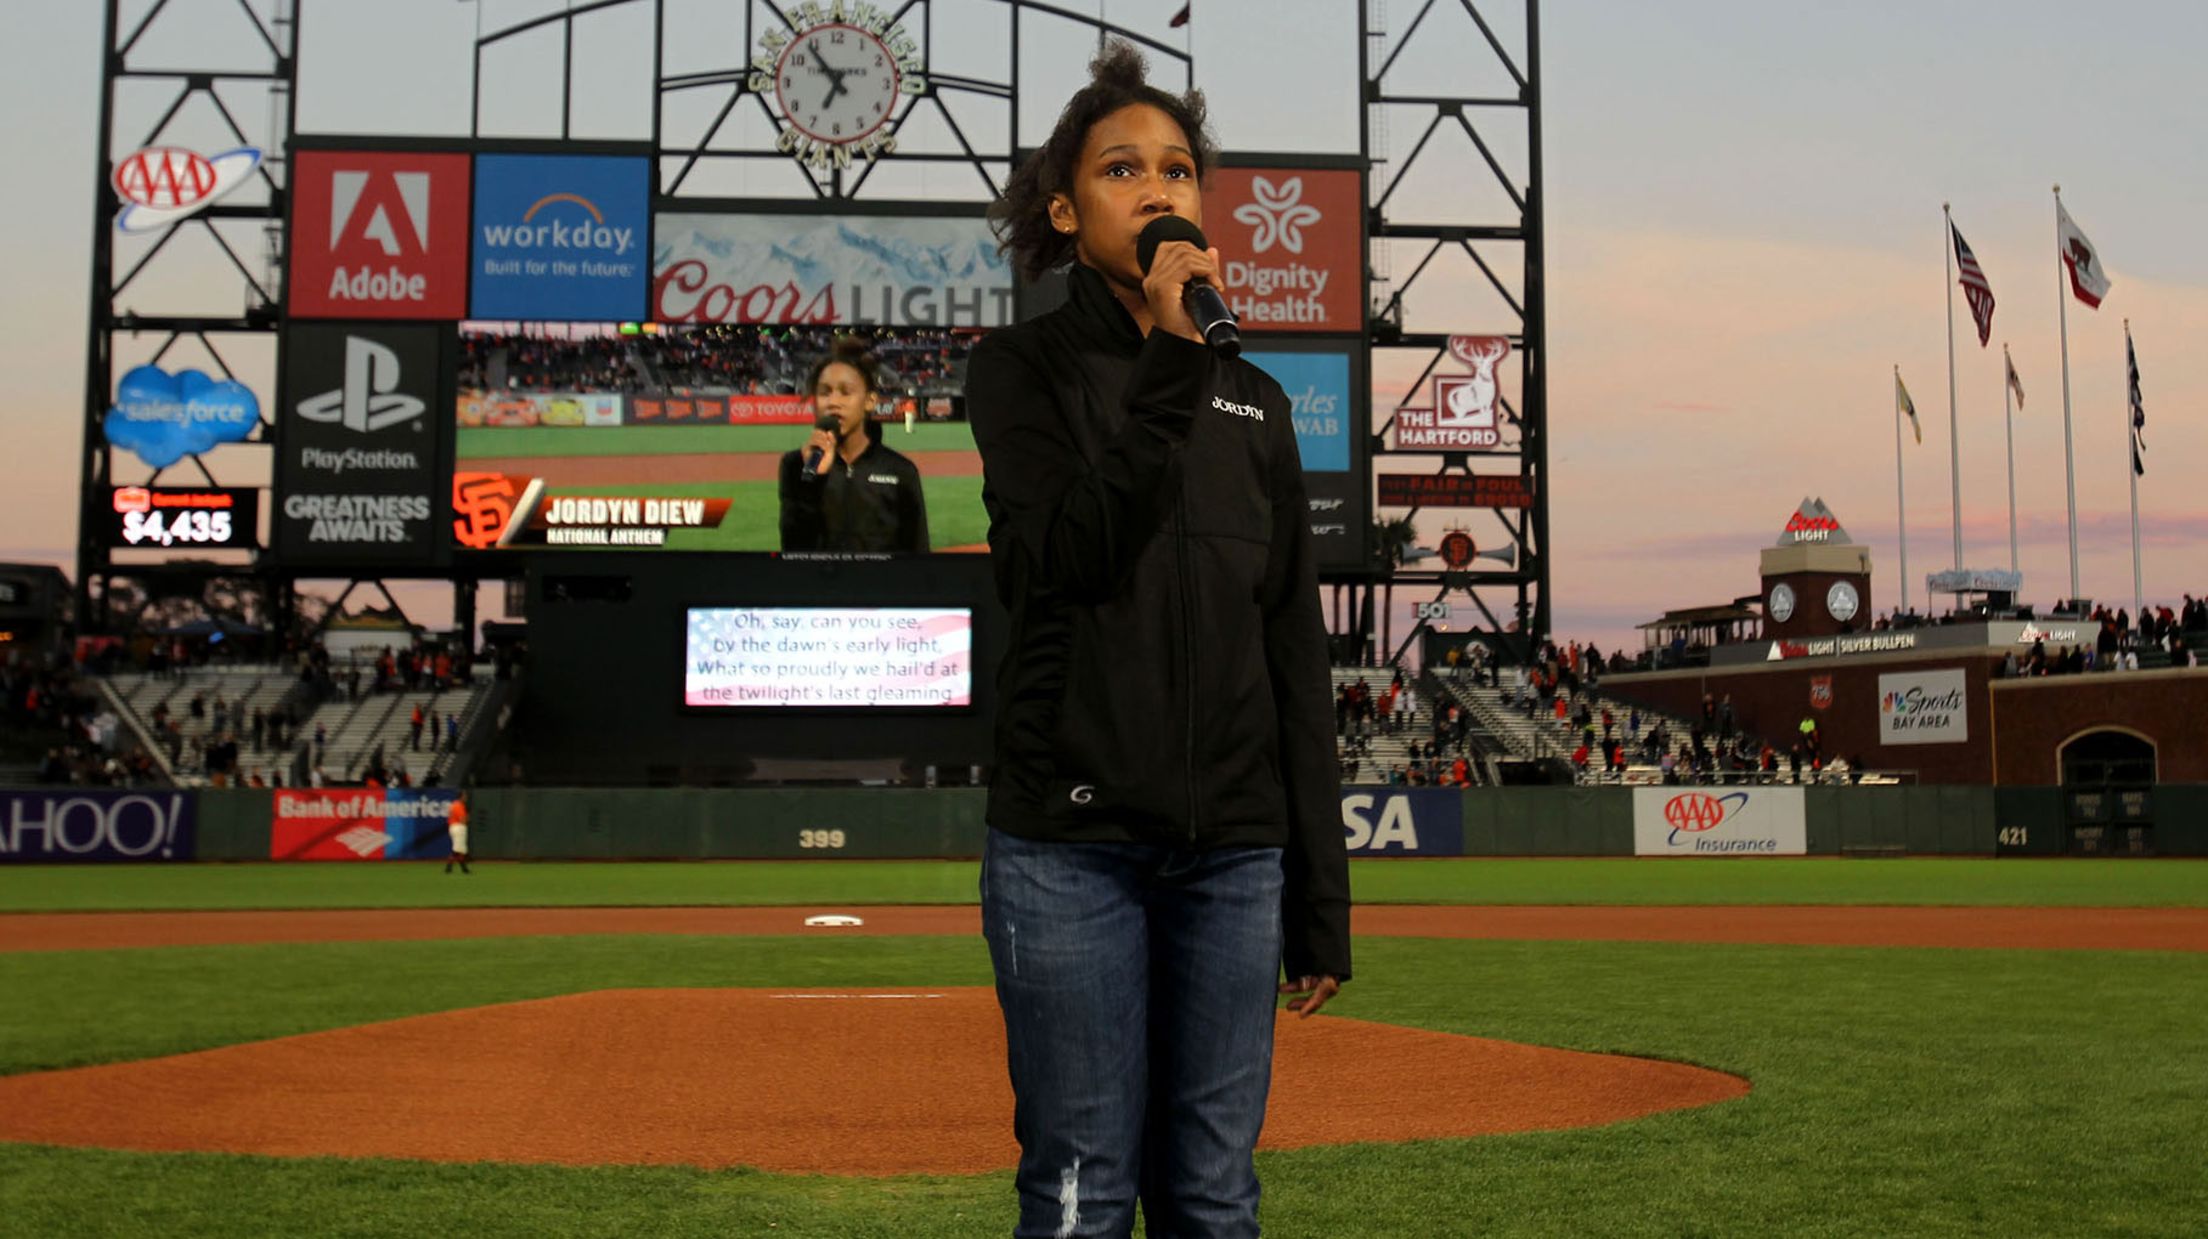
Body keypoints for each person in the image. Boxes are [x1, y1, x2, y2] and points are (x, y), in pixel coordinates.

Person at [965, 42, 1349, 1239]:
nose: (1161, 190)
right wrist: (1177, 365)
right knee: (1081, 1189)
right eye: (1123, 168)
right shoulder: (1020, 368)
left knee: (1216, 1198)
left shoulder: (1261, 404)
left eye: (1179, 169)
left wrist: (1318, 895)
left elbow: (1292, 649)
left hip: (1234, 858)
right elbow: (1063, 556)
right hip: (1070, 849)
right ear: (1068, 207)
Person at [777, 336, 931, 552]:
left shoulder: (901, 471)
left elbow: (918, 555)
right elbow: (793, 551)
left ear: (870, 401)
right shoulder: (796, 465)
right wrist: (811, 480)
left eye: (846, 392)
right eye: (824, 392)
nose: (833, 402)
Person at [443, 792, 471, 875]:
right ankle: (448, 867)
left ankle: (464, 869)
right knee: (457, 849)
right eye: (465, 796)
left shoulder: (453, 804)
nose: (466, 798)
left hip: (453, 826)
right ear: (461, 797)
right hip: (458, 827)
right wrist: (468, 816)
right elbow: (463, 820)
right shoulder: (458, 805)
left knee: (460, 849)